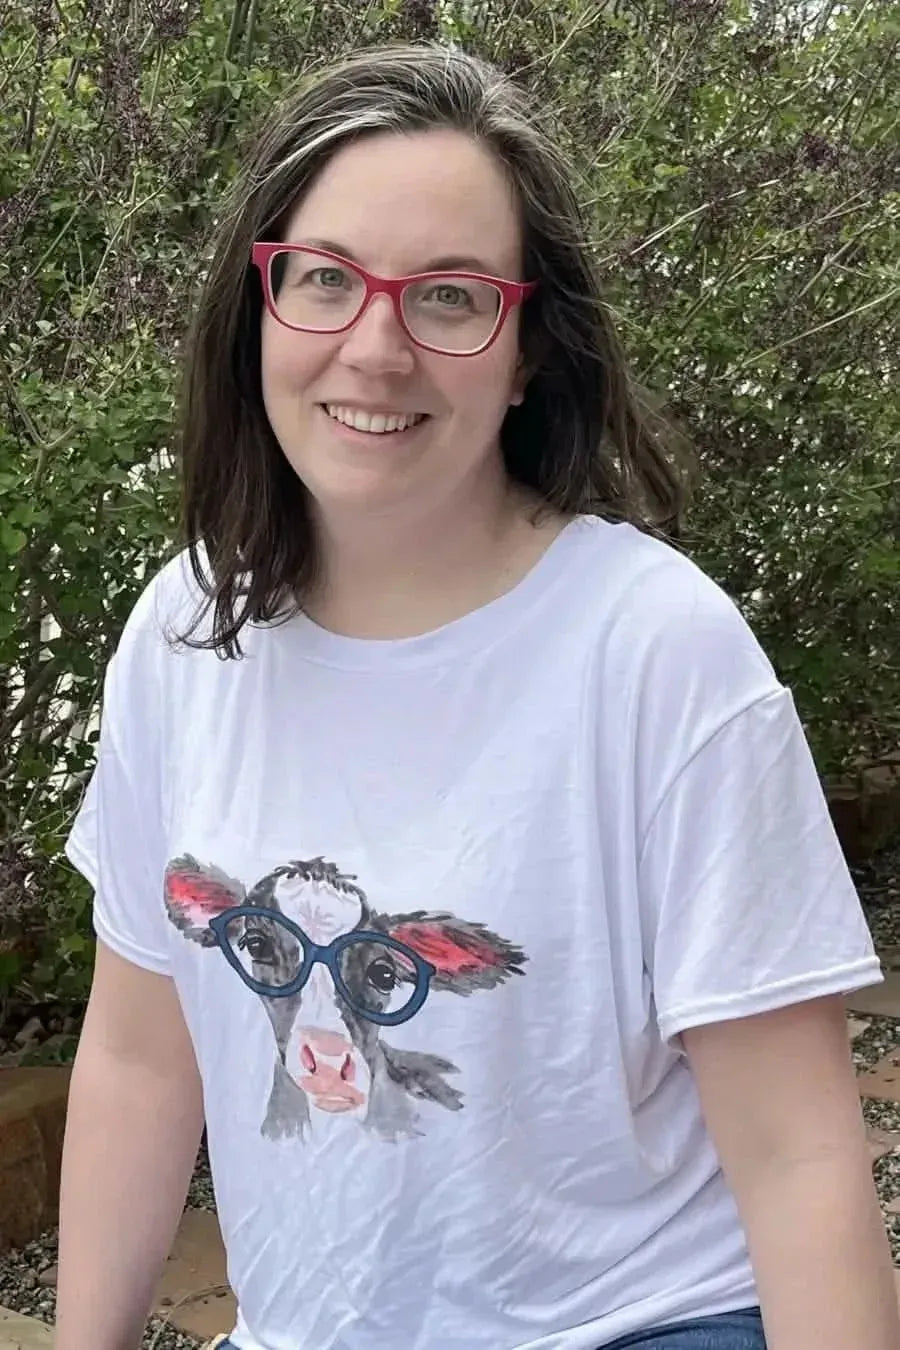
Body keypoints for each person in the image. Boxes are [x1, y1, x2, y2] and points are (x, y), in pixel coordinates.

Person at [55, 41, 898, 1350]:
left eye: (449, 298)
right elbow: (137, 1059)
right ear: (259, 307)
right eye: (325, 279)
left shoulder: (657, 651)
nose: (376, 348)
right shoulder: (182, 629)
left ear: (526, 352)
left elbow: (798, 1157)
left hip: (629, 1323)